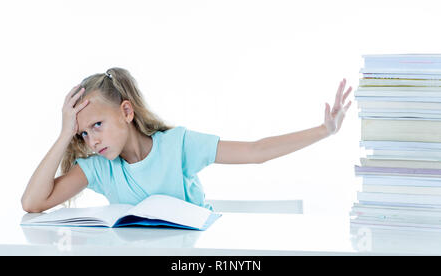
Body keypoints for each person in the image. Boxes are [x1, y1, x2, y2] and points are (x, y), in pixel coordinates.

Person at [21, 67, 352, 213]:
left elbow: (256, 151)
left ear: (126, 111)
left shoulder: (177, 146)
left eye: (96, 124)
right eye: (82, 133)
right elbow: (33, 203)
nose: (90, 140)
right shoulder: (98, 168)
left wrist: (325, 130)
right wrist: (65, 133)